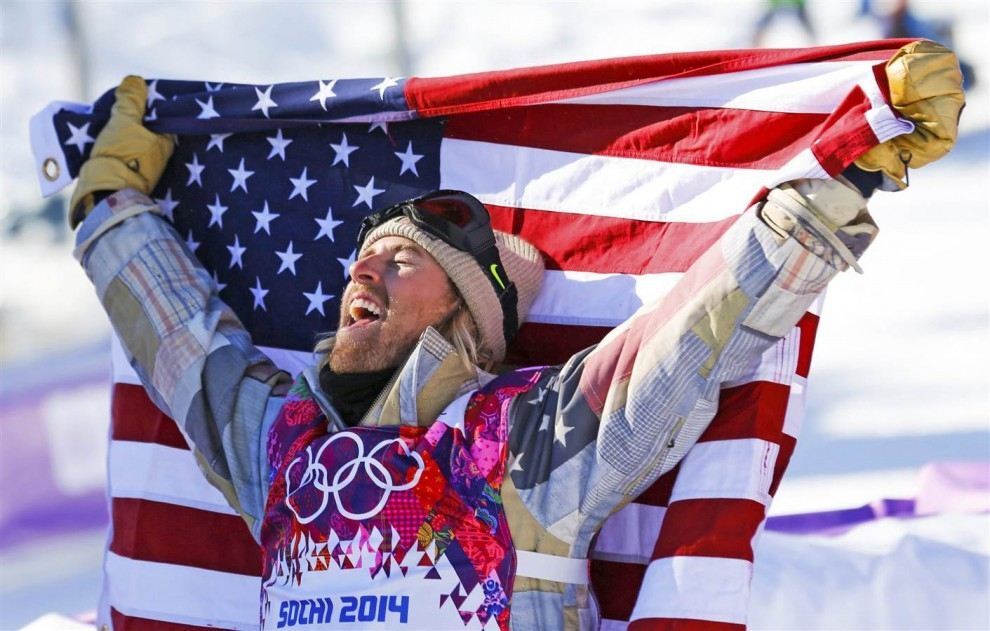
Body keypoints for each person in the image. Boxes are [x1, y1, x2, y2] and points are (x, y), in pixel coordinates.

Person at [69, 42, 962, 631]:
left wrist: (846, 174)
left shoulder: (516, 445)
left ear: (469, 323)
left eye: (398, 261)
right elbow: (182, 340)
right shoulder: (282, 449)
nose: (361, 273)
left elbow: (693, 338)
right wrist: (108, 205)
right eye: (362, 260)